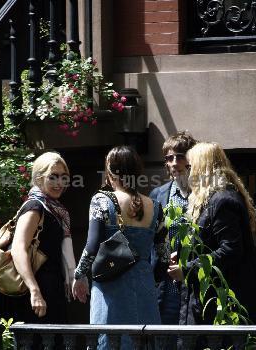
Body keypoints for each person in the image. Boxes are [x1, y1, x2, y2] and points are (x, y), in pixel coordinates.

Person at [168, 142, 256, 349]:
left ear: (203, 168)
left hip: (224, 305)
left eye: (191, 166)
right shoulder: (215, 199)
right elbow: (212, 244)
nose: (189, 171)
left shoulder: (222, 200)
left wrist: (187, 270)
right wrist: (186, 253)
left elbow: (230, 249)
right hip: (211, 303)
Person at [72, 145, 169, 350]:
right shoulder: (156, 207)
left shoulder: (100, 200)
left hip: (110, 286)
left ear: (111, 172)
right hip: (145, 288)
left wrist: (79, 275)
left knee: (110, 341)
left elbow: (92, 245)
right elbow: (164, 256)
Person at [10, 151, 76, 327]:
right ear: (39, 178)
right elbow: (18, 248)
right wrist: (34, 290)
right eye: (53, 177)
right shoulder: (35, 207)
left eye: (64, 177)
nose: (59, 183)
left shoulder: (55, 209)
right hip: (37, 293)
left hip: (53, 289)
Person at [150, 131, 197, 330]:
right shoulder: (159, 194)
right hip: (166, 282)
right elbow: (152, 240)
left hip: (196, 279)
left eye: (180, 156)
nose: (174, 162)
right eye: (170, 158)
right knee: (165, 336)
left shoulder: (202, 193)